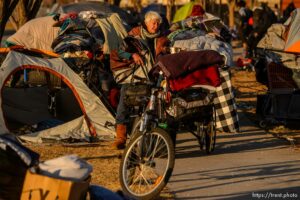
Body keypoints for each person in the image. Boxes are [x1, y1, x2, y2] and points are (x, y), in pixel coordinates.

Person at [111, 11, 169, 149]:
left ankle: (153, 134)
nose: (155, 26)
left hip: (154, 75)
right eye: (153, 23)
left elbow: (166, 54)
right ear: (146, 23)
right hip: (135, 75)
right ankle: (121, 137)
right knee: (124, 100)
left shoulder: (162, 37)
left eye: (157, 23)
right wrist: (133, 55)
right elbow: (121, 51)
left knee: (157, 103)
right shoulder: (135, 33)